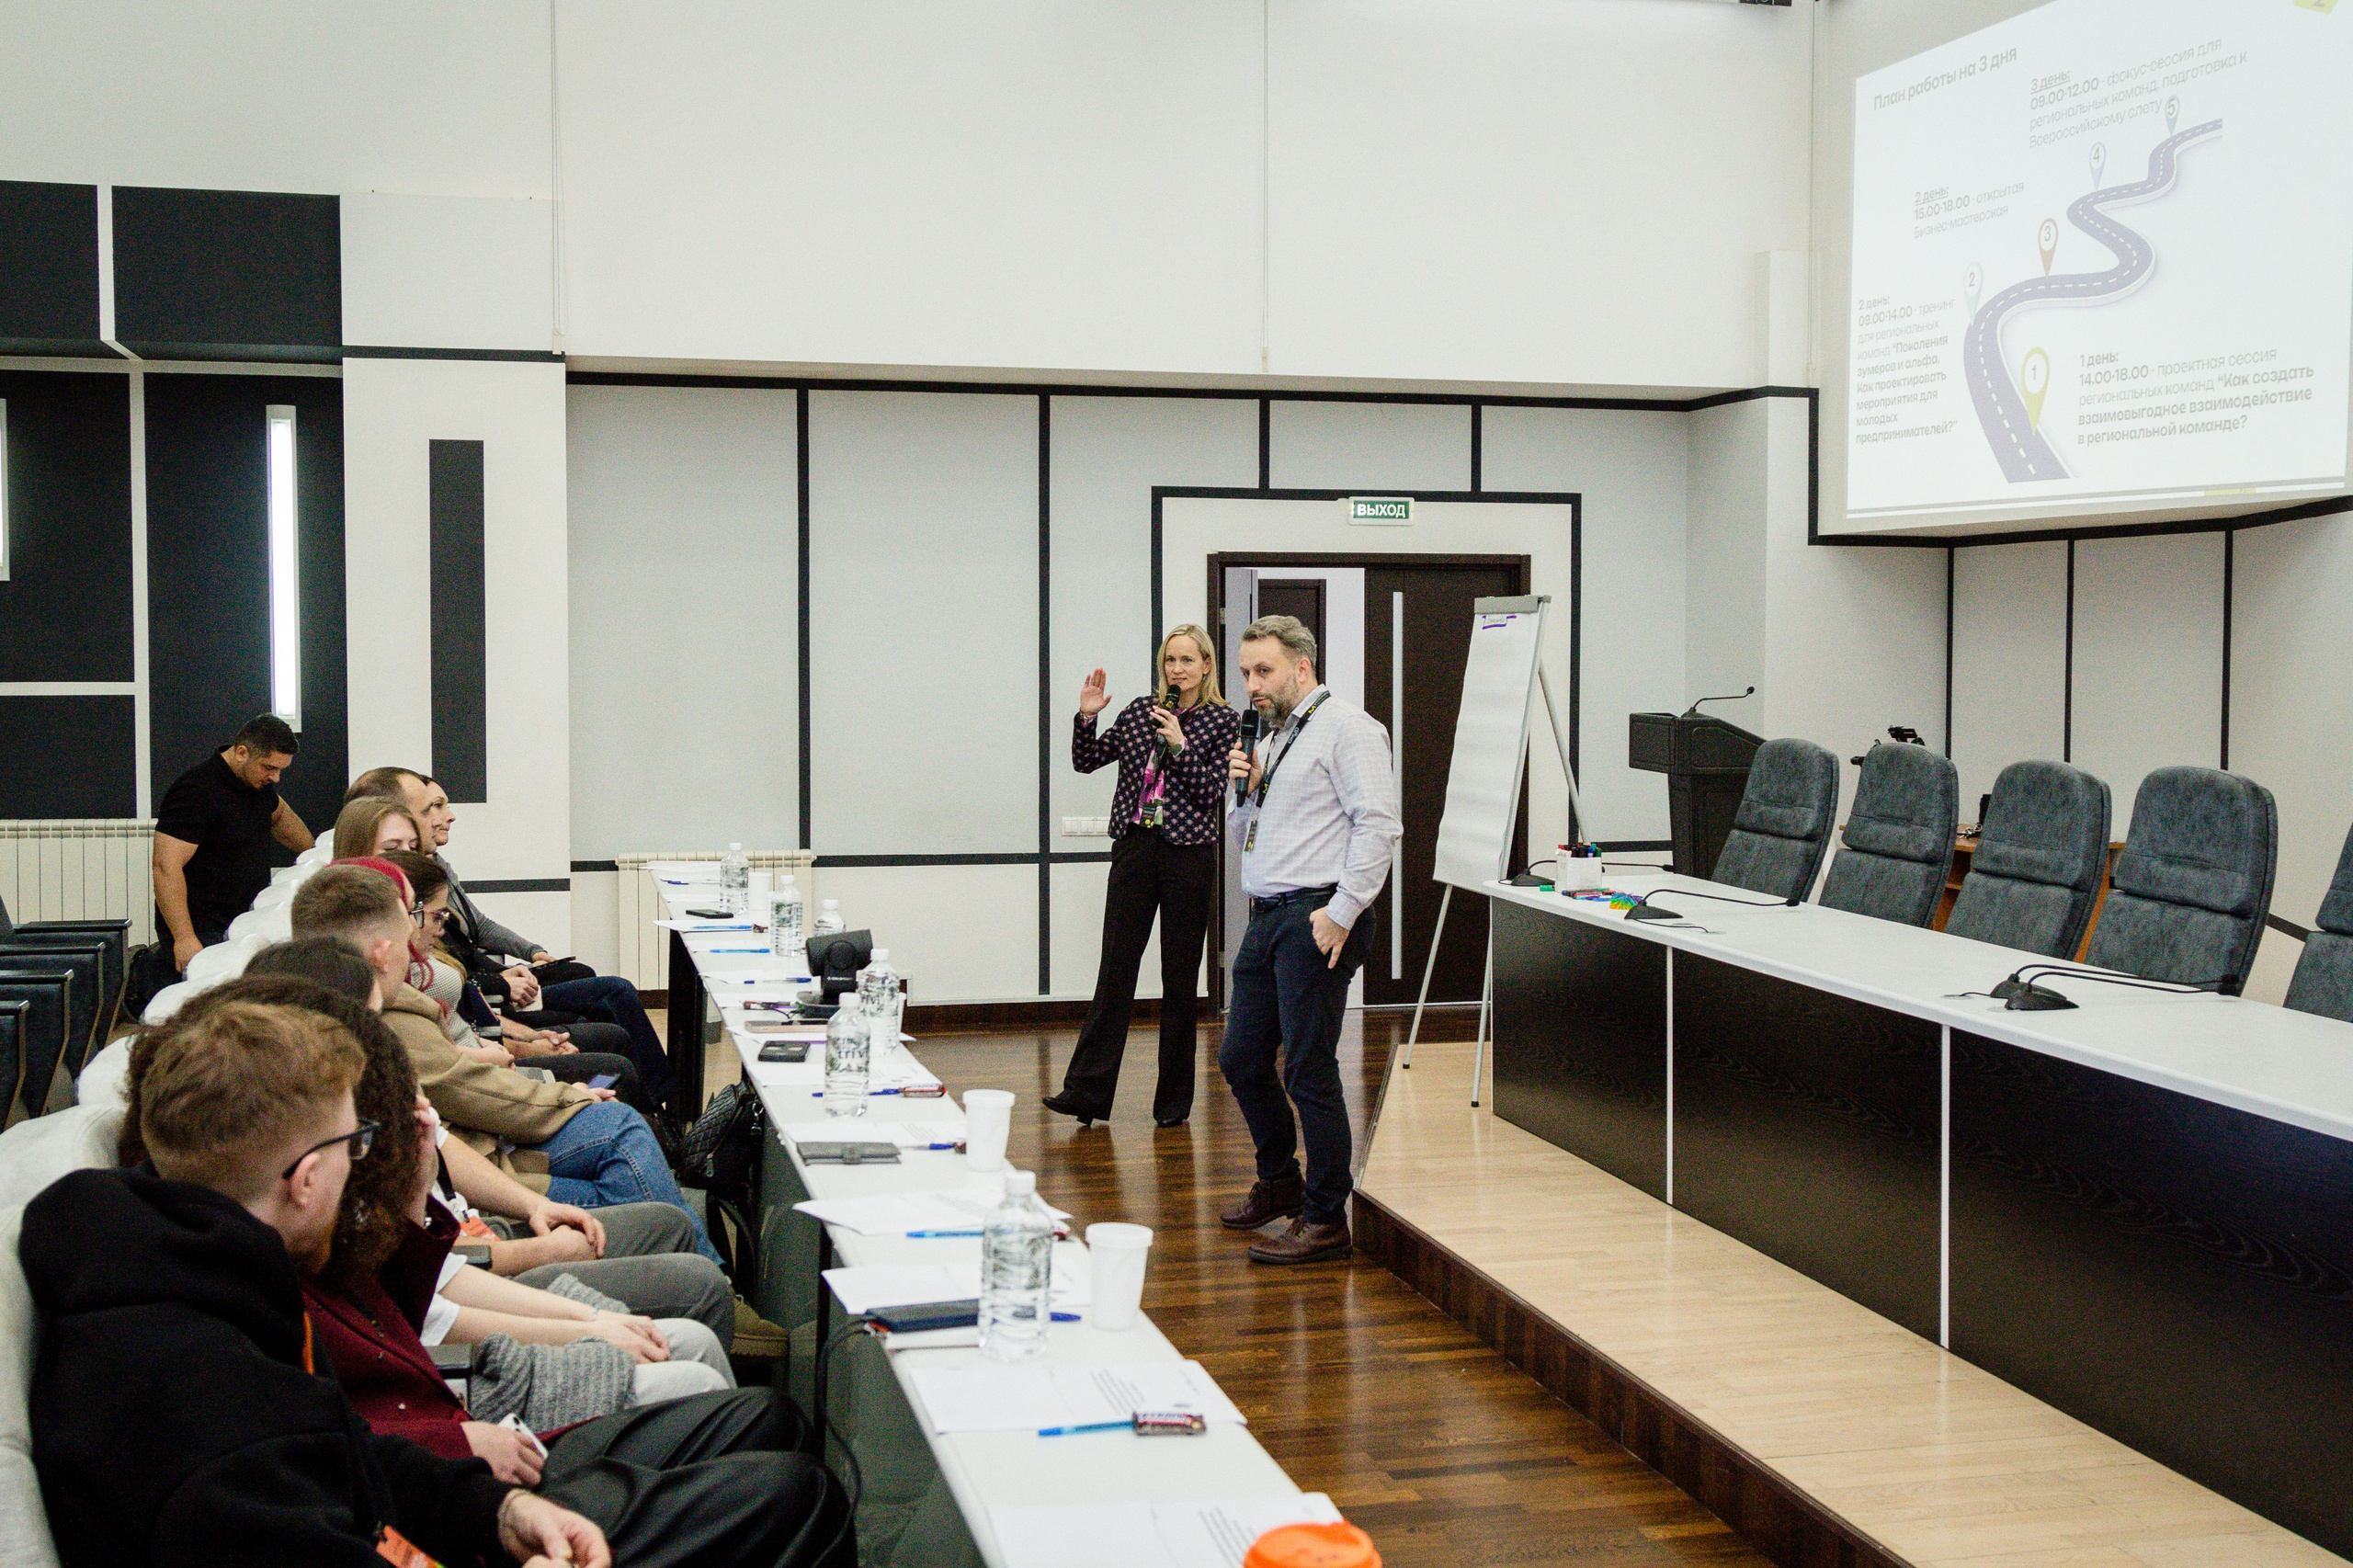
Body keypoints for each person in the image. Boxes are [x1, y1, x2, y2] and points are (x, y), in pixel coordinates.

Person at [21, 994, 609, 1566]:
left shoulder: (193, 1278)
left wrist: (495, 1512)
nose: (360, 1161)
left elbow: (343, 1458)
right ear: (304, 1180)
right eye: (353, 1145)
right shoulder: (207, 1429)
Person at [290, 863, 727, 1267]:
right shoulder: (380, 1023)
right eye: (415, 916)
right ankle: (701, 1263)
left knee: (620, 1115)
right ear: (383, 952)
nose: (424, 930)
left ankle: (686, 1243)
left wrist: (525, 1042)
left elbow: (446, 1123)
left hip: (485, 1136)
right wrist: (558, 1092)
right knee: (625, 1130)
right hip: (486, 1158)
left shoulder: (372, 1008)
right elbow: (459, 1096)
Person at [1218, 615, 1402, 1266]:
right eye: (1244, 673)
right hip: (1268, 916)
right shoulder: (1275, 739)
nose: (1251, 685)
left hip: (1317, 916)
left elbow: (1378, 825)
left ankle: (1327, 1219)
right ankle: (1279, 1183)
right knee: (1240, 1059)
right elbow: (1249, 835)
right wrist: (1244, 790)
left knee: (1307, 1069)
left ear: (1302, 667)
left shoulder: (1349, 729)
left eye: (1262, 671)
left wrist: (1343, 910)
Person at [348, 766, 680, 1108]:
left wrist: (530, 956)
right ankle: (662, 1109)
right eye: (431, 808)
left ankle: (662, 1109)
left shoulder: (431, 876)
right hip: (487, 1038)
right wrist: (514, 1018)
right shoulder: (389, 936)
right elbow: (447, 1043)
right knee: (611, 1018)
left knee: (591, 992)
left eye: (410, 844)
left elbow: (474, 939)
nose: (446, 817)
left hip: (487, 1017)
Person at [1045, 624, 1240, 1128]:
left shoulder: (1221, 720)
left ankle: (1173, 1105)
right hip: (1135, 849)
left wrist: (1179, 744)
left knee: (1179, 981)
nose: (1177, 669)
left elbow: (1212, 791)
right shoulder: (1138, 711)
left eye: (1187, 660)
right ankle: (1085, 1093)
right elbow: (1086, 761)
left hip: (1188, 856)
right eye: (1170, 661)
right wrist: (1086, 717)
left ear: (1206, 667)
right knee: (1115, 971)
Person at [152, 713, 313, 974]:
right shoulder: (195, 790)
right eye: (269, 768)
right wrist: (184, 938)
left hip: (245, 923)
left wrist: (313, 854)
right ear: (241, 752)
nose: (276, 778)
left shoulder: (257, 785)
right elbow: (164, 866)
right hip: (205, 932)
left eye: (281, 770)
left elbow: (280, 815)